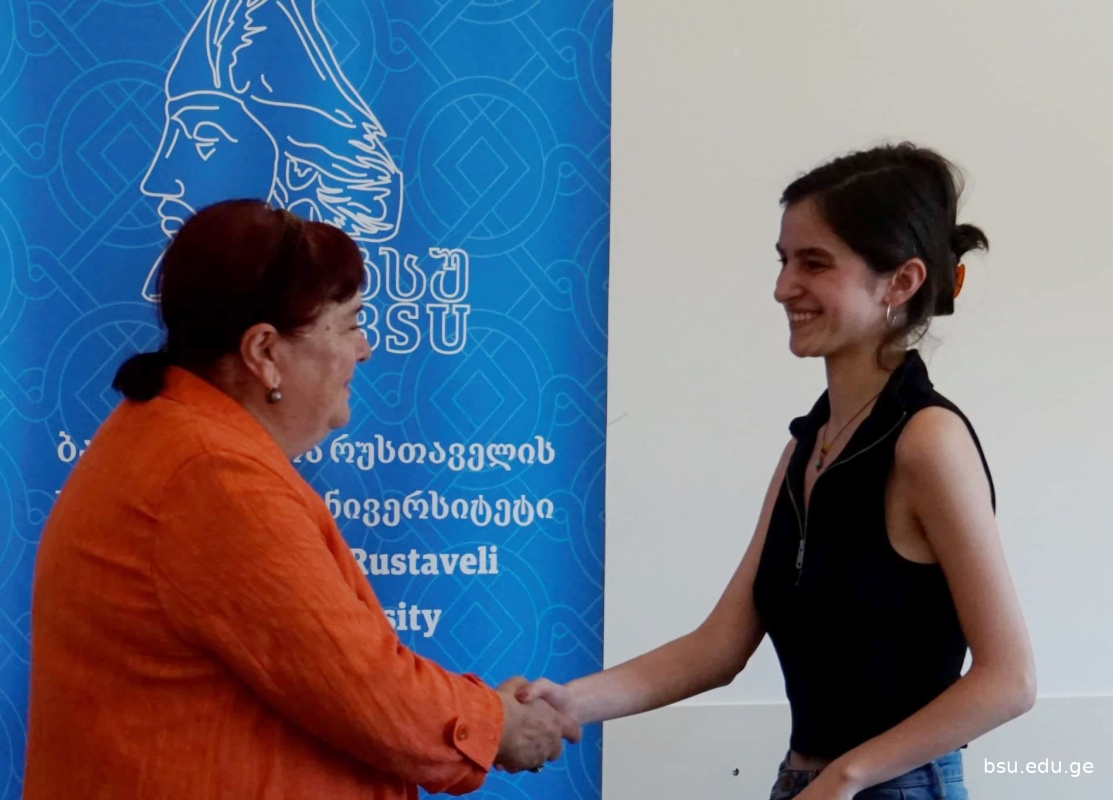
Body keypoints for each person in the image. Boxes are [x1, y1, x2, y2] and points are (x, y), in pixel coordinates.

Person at [520, 143, 1037, 799]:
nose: (783, 287)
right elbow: (718, 647)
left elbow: (1009, 680)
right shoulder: (808, 447)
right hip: (805, 782)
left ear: (901, 282)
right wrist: (566, 703)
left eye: (813, 263)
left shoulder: (927, 441)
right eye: (783, 260)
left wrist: (846, 775)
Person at [23, 199, 578, 799]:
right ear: (264, 352)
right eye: (350, 324)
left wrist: (489, 717)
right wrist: (496, 725)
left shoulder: (177, 444)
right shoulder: (210, 479)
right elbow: (368, 691)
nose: (365, 350)